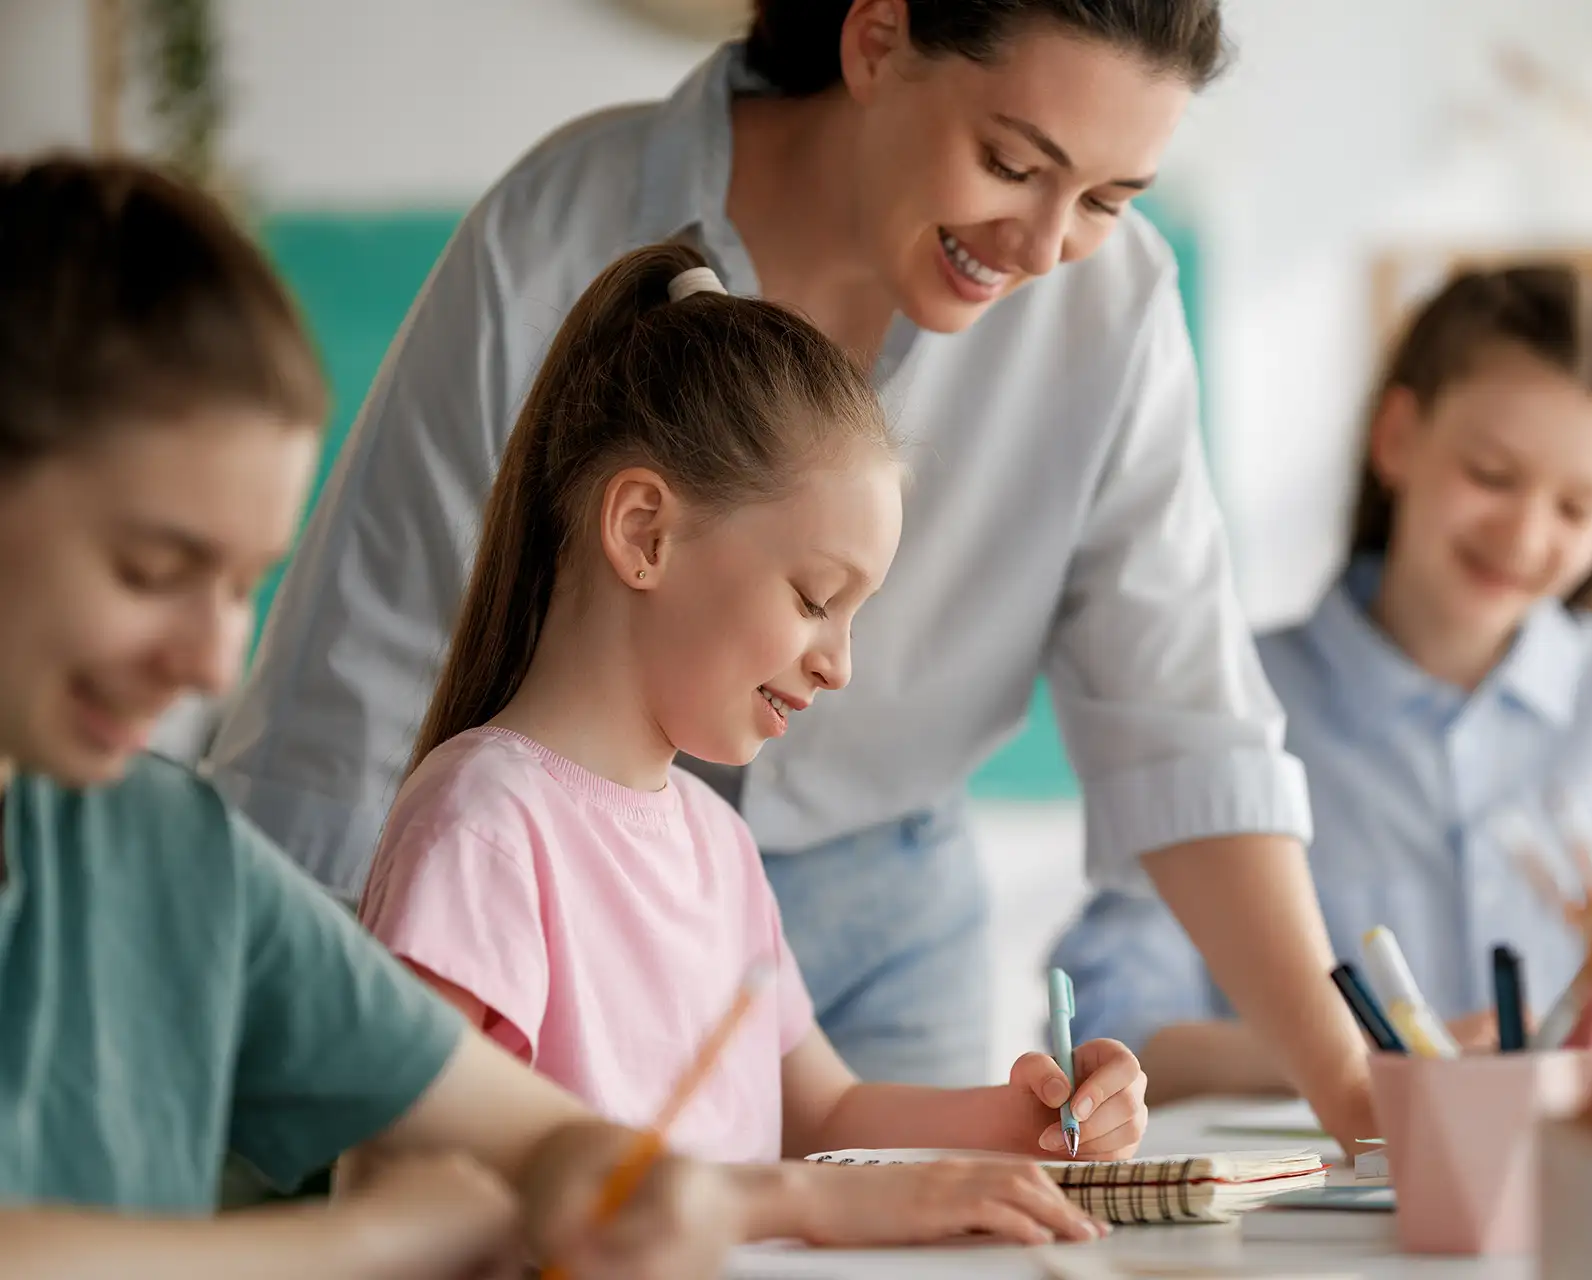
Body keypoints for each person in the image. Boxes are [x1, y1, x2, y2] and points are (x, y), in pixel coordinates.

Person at [204, 0, 1377, 1141]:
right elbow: (358, 675)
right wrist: (264, 1069)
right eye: (1013, 163)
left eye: (1109, 200)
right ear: (877, 40)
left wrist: (1349, 1081)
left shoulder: (1112, 309)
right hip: (541, 890)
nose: (1045, 244)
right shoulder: (560, 229)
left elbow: (1184, 723)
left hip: (886, 900)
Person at [0, 153, 745, 1280]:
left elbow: (537, 1133)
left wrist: (600, 1180)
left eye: (247, 584)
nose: (211, 660)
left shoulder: (164, 846)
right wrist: (358, 1241)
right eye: (153, 568)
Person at [357, 239, 1131, 1246]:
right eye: (816, 599)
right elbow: (395, 1182)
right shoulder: (486, 828)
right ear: (644, 531)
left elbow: (826, 1117)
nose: (838, 663)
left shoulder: (713, 845)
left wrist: (1032, 1122)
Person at [1052, 265, 1592, 1102]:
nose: (1526, 533)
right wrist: (1348, 1063)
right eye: (1493, 476)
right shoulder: (1223, 705)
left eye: (1578, 508)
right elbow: (1111, 1036)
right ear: (1397, 437)